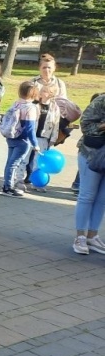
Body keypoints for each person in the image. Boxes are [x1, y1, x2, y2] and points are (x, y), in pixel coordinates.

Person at [73, 94, 105, 255]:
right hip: (92, 153)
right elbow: (85, 126)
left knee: (102, 198)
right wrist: (103, 126)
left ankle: (92, 235)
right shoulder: (102, 100)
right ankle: (80, 236)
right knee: (87, 195)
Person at [1, 81, 39, 198]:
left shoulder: (16, 104)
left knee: (9, 162)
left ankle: (6, 185)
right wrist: (35, 144)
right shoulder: (30, 108)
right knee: (14, 163)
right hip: (23, 140)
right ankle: (9, 187)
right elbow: (30, 128)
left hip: (11, 137)